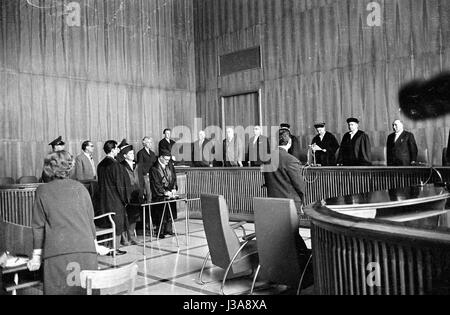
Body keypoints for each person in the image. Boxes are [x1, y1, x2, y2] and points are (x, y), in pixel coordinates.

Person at [27, 151, 107, 295]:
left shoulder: (42, 190)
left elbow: (38, 226)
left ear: (48, 168)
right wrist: (95, 245)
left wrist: (36, 257)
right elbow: (90, 221)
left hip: (58, 254)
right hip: (86, 252)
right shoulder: (81, 188)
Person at [94, 140, 129, 255]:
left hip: (103, 199)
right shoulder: (115, 165)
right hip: (115, 200)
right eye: (117, 148)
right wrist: (125, 200)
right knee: (117, 223)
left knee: (107, 223)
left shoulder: (100, 165)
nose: (118, 150)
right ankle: (115, 248)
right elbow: (121, 185)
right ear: (113, 149)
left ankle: (106, 248)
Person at [263, 129, 307, 214]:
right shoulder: (291, 160)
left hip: (273, 202)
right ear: (289, 141)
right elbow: (300, 186)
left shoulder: (267, 159)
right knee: (290, 227)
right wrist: (302, 201)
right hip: (291, 204)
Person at [118, 140, 144, 245]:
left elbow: (141, 178)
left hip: (137, 194)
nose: (133, 155)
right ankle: (125, 239)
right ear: (124, 155)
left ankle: (132, 237)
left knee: (134, 217)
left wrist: (142, 191)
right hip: (127, 195)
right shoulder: (121, 166)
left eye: (133, 153)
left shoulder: (137, 165)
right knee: (126, 217)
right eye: (130, 154)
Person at [150, 149, 178, 238]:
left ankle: (169, 229)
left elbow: (174, 177)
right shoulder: (154, 168)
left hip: (170, 193)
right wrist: (164, 192)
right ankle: (160, 231)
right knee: (160, 212)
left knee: (170, 212)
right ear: (160, 157)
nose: (167, 161)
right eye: (165, 159)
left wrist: (173, 188)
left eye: (168, 160)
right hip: (160, 194)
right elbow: (156, 183)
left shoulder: (169, 165)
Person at [136, 137, 157, 201]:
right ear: (144, 143)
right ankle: (148, 208)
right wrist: (146, 173)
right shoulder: (141, 153)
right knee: (148, 193)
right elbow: (140, 165)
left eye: (151, 142)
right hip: (145, 176)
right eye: (148, 142)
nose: (150, 144)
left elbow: (155, 164)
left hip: (153, 175)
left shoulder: (152, 153)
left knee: (154, 192)